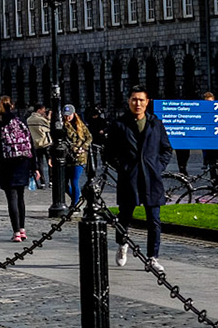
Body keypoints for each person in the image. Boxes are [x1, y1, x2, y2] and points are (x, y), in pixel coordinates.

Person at [104, 88, 174, 274]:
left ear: (147, 101)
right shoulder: (120, 124)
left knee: (154, 220)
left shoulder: (155, 123)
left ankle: (153, 257)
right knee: (125, 216)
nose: (138, 104)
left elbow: (166, 149)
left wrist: (158, 167)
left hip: (151, 177)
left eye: (141, 100)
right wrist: (123, 167)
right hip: (130, 177)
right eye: (134, 100)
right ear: (128, 101)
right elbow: (109, 153)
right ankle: (122, 243)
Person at [0, 98, 35, 241]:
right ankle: (22, 229)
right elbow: (31, 144)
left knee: (12, 197)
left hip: (6, 162)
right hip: (23, 161)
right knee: (21, 196)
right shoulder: (21, 121)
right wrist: (34, 166)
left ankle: (16, 231)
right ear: (12, 106)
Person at [62, 105, 92, 206]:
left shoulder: (80, 125)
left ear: (73, 114)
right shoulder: (63, 125)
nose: (67, 117)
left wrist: (83, 147)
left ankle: (74, 204)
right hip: (68, 157)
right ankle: (76, 198)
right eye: (65, 115)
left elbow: (89, 137)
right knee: (64, 184)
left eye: (69, 115)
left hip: (80, 157)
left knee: (74, 181)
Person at [25, 103, 53, 191]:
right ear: (39, 110)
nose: (44, 112)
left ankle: (43, 182)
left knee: (40, 163)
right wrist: (48, 117)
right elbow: (49, 127)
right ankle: (51, 181)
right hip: (45, 143)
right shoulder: (40, 120)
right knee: (50, 162)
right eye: (43, 110)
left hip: (35, 144)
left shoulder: (28, 119)